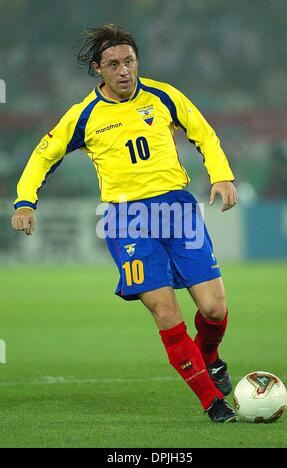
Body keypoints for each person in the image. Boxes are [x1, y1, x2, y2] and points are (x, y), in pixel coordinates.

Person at [12, 24, 238, 423]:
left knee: (215, 309)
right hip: (128, 220)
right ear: (98, 68)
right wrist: (25, 201)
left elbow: (202, 132)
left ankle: (211, 358)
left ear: (138, 62)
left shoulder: (163, 95)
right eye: (113, 64)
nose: (123, 71)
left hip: (178, 211)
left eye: (129, 61)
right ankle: (211, 401)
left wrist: (221, 175)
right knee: (166, 313)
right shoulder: (83, 115)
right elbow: (42, 156)